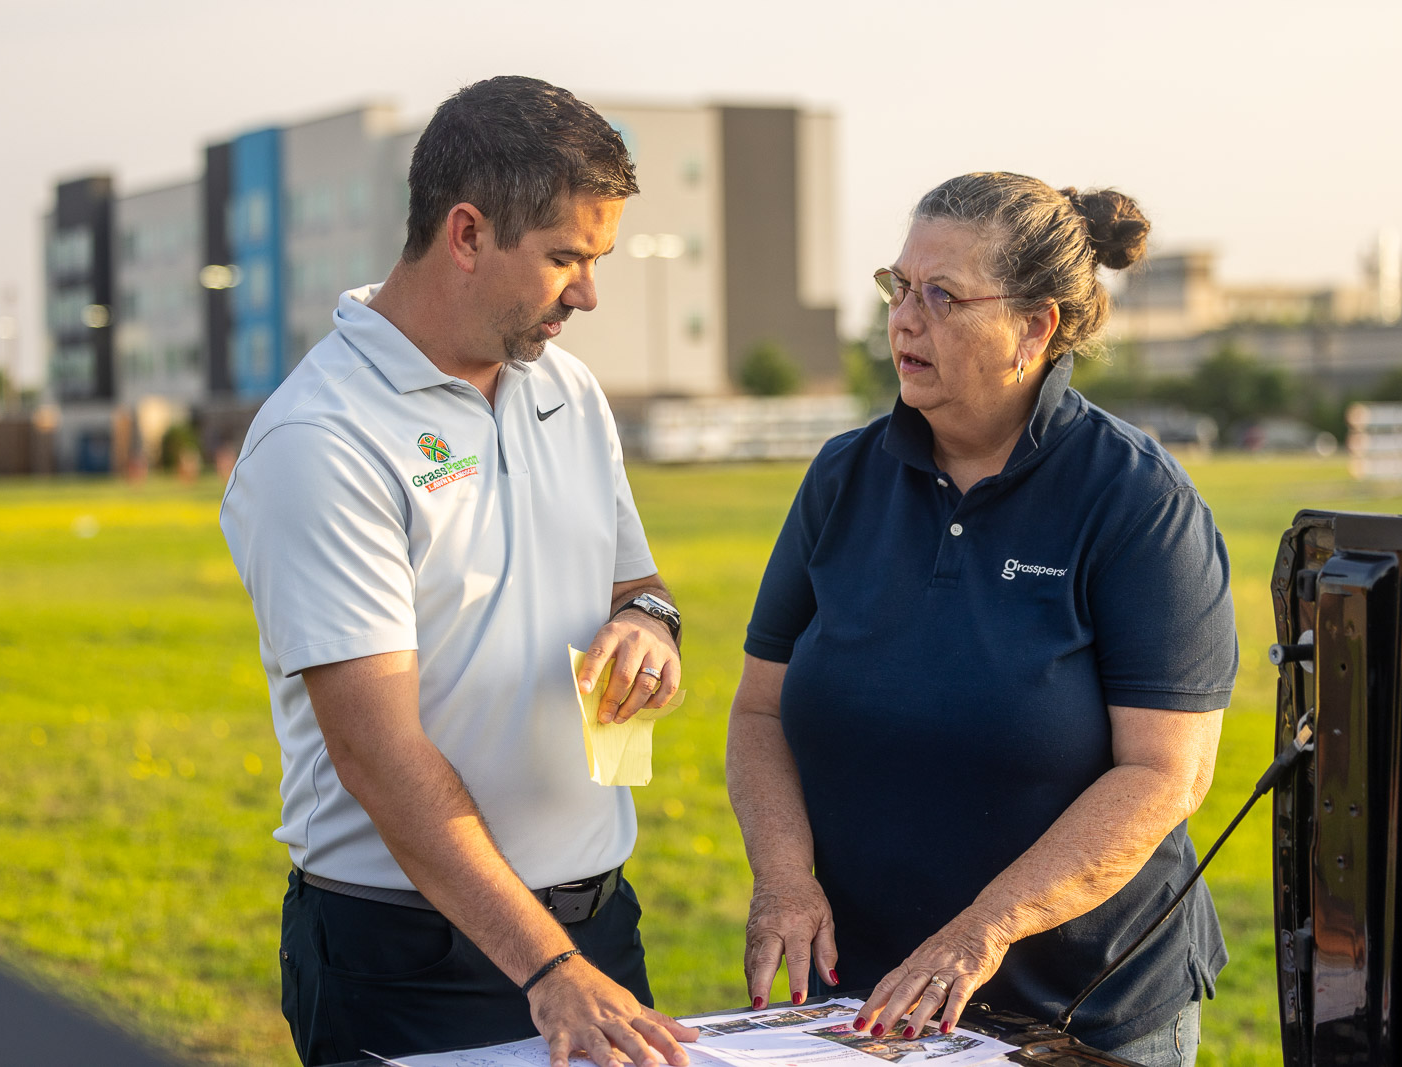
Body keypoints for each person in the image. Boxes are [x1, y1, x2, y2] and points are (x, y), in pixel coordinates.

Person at [220, 76, 696, 1067]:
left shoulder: (567, 388)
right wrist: (548, 967)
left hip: (596, 926)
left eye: (597, 260)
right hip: (410, 957)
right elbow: (377, 753)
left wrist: (649, 625)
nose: (588, 293)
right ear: (467, 233)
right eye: (565, 257)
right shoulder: (323, 438)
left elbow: (636, 583)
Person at [726, 172, 1237, 1067]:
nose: (903, 320)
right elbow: (760, 709)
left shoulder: (1137, 499)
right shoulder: (841, 479)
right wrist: (783, 880)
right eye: (898, 287)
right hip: (868, 1007)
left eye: (943, 296)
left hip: (1084, 1012)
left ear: (1036, 328)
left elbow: (1165, 773)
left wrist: (981, 930)